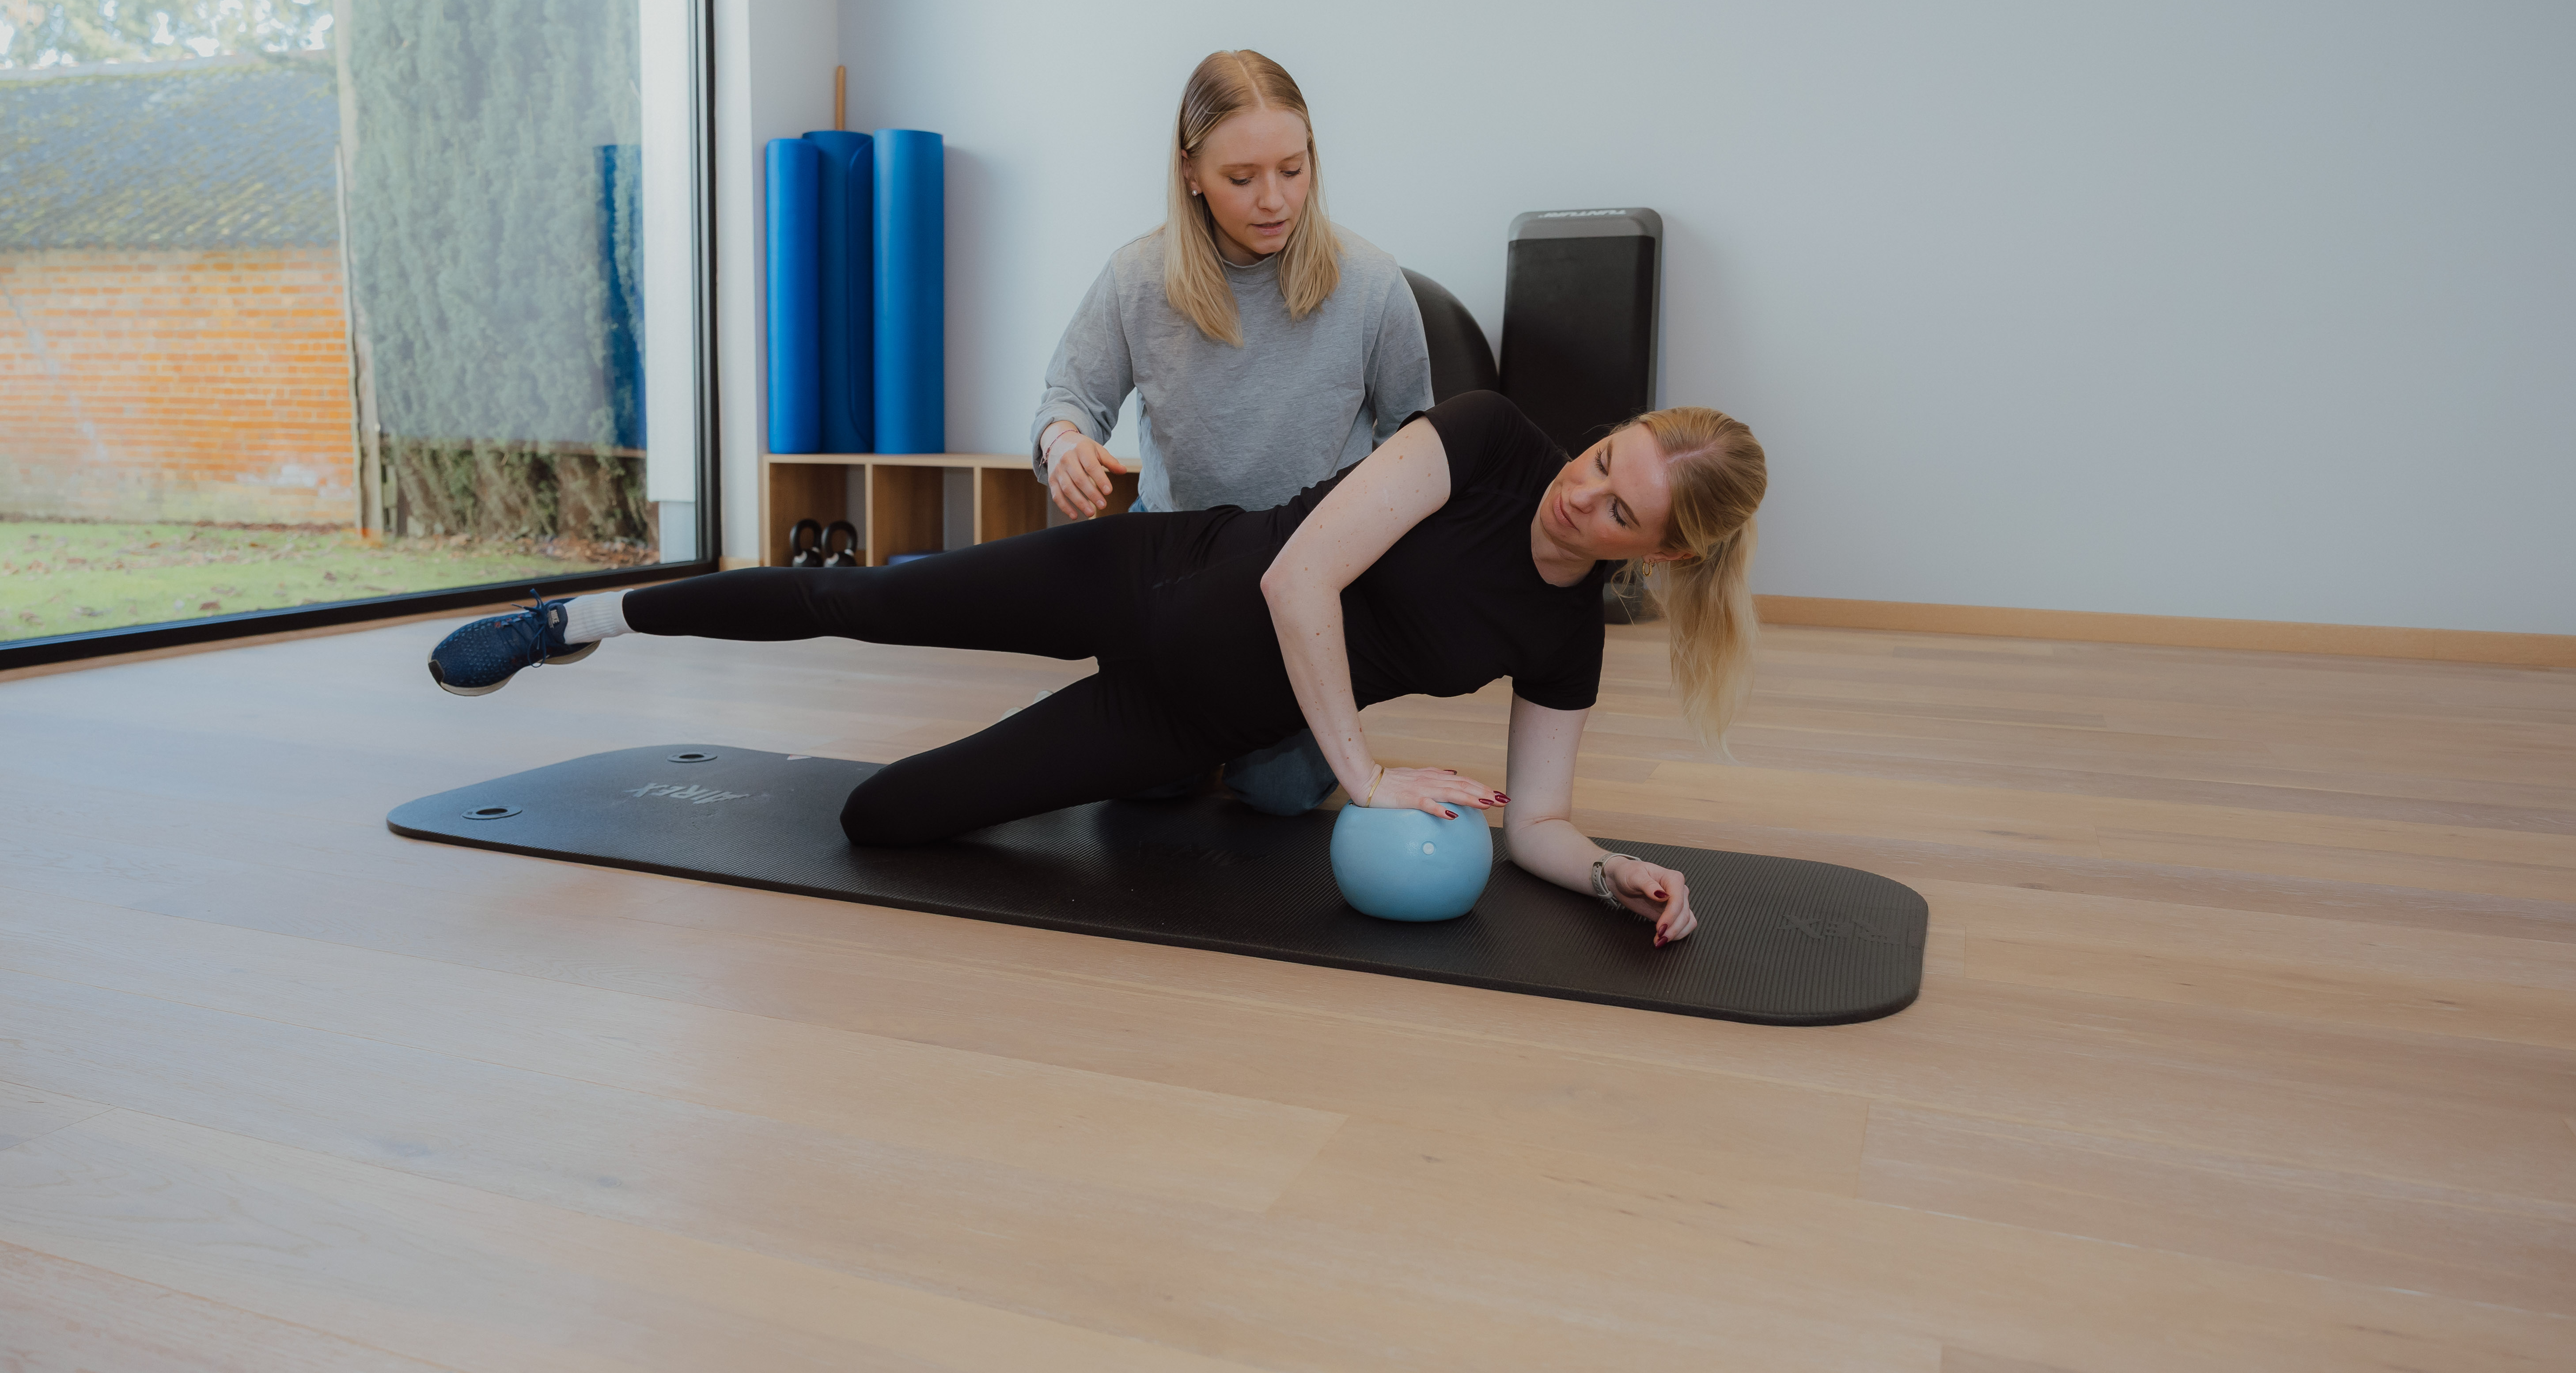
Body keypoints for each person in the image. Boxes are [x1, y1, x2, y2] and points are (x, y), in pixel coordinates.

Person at [426, 390, 1767, 946]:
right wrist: (1361, 774)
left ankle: (1187, 786)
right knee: (867, 600)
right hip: (1145, 571)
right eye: (1604, 459)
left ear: (1656, 554)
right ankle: (581, 624)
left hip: (1183, 718)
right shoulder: (1481, 440)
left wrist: (1608, 875)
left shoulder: (1566, 635)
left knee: (882, 818)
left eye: (1621, 512)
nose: (1583, 498)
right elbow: (1302, 577)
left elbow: (1533, 819)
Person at [1032, 50, 1432, 814]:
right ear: (1190, 172)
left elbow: (1415, 439)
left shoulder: (1373, 284)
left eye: (1293, 168)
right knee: (1149, 786)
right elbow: (1068, 399)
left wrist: (1363, 570)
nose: (1275, 200)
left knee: (1279, 795)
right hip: (1175, 566)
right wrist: (1064, 445)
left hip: (1305, 572)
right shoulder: (1138, 279)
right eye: (1241, 179)